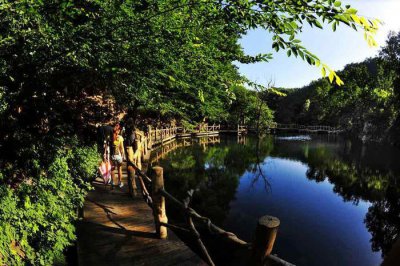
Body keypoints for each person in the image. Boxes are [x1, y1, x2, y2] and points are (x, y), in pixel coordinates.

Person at [110, 123, 125, 188]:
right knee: (119, 169)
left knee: (112, 169)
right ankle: (120, 183)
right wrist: (123, 155)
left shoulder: (110, 137)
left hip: (112, 156)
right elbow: (122, 148)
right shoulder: (120, 138)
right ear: (118, 130)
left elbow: (107, 146)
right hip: (118, 156)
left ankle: (112, 182)